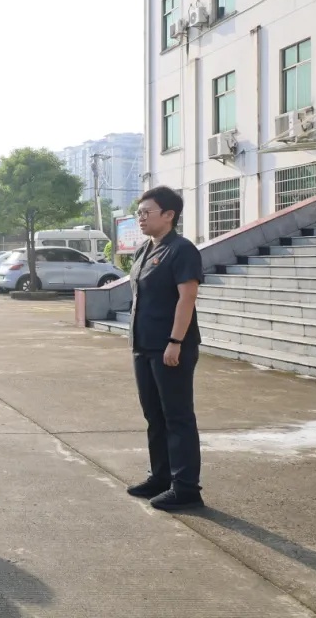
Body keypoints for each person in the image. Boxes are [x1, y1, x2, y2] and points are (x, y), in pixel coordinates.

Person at [127, 185, 205, 511]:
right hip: (143, 345)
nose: (141, 218)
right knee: (154, 416)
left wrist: (175, 342)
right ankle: (161, 477)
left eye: (147, 212)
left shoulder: (181, 250)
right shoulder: (144, 250)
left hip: (170, 347)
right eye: (139, 213)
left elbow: (187, 298)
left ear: (169, 215)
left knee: (177, 417)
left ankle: (186, 488)